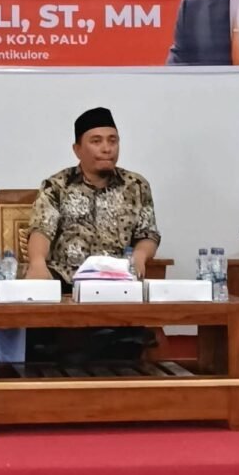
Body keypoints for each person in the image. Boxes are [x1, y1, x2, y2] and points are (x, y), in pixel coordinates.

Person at [25, 107, 161, 362]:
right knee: (41, 311)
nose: (107, 148)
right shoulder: (57, 185)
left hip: (116, 280)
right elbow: (41, 229)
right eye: (96, 141)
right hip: (67, 279)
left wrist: (140, 256)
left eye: (113, 140)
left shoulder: (136, 185)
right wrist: (37, 262)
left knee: (126, 335)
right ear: (77, 149)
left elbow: (148, 233)